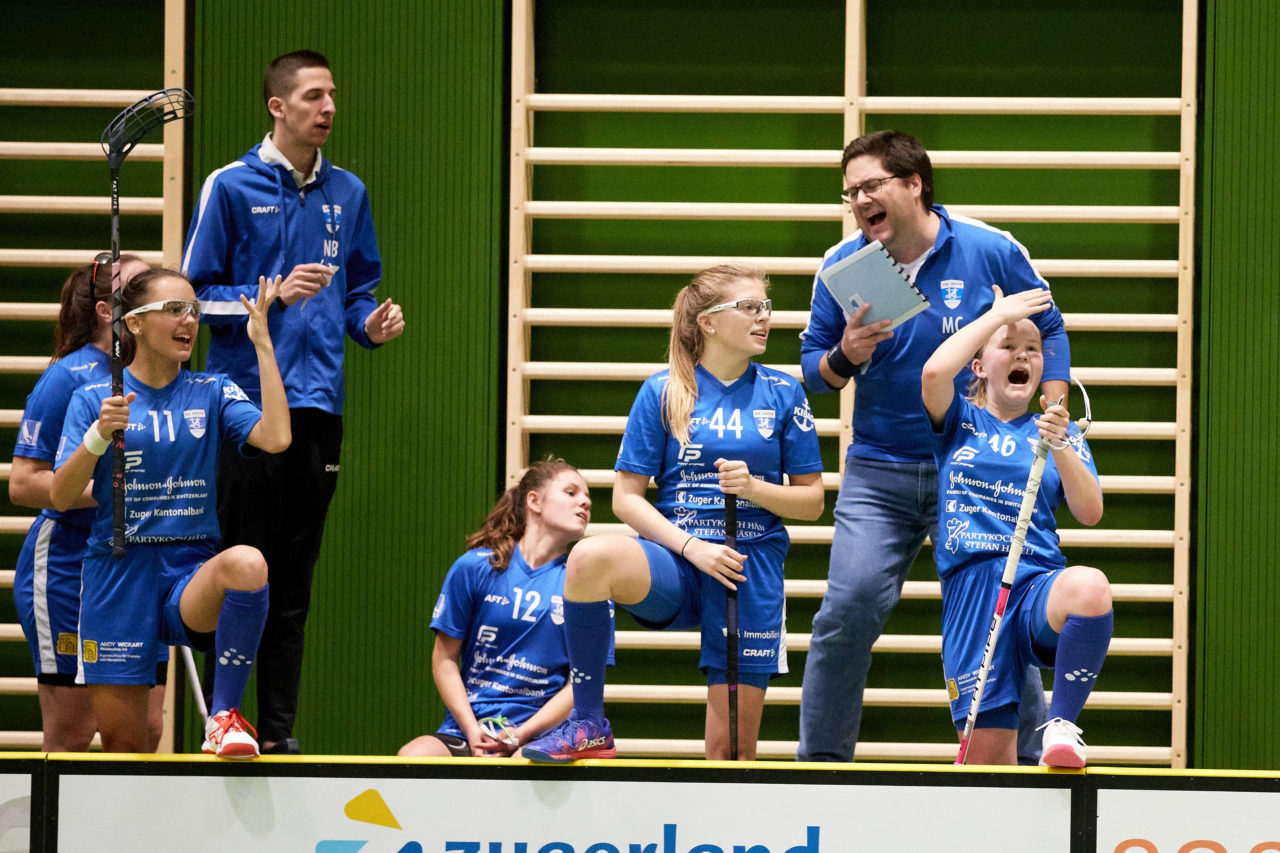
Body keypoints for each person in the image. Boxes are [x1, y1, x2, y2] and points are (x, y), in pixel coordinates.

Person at [797, 129, 1070, 763]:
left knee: (1003, 616)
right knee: (847, 612)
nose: (860, 201)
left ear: (913, 184)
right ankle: (819, 770)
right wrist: (846, 355)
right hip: (881, 468)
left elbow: (1049, 324)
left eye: (872, 186)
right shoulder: (842, 265)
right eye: (851, 192)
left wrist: (1048, 412)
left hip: (975, 465)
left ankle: (1027, 769)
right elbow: (813, 373)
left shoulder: (989, 247)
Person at [181, 49, 405, 754]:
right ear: (278, 107)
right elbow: (190, 298)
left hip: (318, 410)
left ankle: (277, 735)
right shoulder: (229, 185)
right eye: (313, 96)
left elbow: (357, 289)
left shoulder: (350, 193)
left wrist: (368, 325)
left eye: (333, 95)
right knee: (244, 565)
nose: (329, 108)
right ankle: (223, 721)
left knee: (295, 582)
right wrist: (269, 296)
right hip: (245, 407)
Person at [522, 265, 825, 763]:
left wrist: (754, 488)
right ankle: (588, 724)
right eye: (749, 307)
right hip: (677, 558)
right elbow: (626, 498)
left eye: (766, 307)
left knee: (731, 751)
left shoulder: (784, 392)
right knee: (590, 558)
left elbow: (812, 501)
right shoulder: (662, 391)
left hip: (746, 569)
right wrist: (691, 548)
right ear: (707, 322)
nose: (764, 318)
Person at [50, 269, 290, 758]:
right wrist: (98, 436)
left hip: (188, 570)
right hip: (117, 574)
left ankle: (224, 716)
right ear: (133, 324)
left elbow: (277, 437)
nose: (189, 320)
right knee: (126, 746)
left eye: (193, 311)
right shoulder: (93, 399)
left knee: (247, 563)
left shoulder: (213, 391)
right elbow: (60, 494)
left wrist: (263, 345)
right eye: (174, 309)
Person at [921, 285, 1111, 767]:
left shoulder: (1057, 431)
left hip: (1034, 585)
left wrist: (1062, 445)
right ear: (981, 366)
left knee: (1090, 587)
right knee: (990, 768)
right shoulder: (960, 420)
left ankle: (1062, 724)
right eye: (1007, 347)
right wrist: (997, 315)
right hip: (972, 593)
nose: (1022, 355)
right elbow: (935, 372)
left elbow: (1090, 511)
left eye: (1032, 350)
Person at [10, 255, 169, 752]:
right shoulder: (68, 377)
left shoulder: (162, 375)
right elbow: (24, 483)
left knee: (146, 730)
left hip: (137, 569)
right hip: (67, 566)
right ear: (108, 310)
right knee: (75, 732)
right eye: (138, 284)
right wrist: (108, 493)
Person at [398, 459, 602, 757]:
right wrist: (472, 730)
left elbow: (581, 685)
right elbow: (444, 659)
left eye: (588, 499)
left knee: (525, 766)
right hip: (468, 728)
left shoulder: (586, 586)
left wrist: (522, 734)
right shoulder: (475, 567)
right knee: (413, 757)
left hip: (542, 734)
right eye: (571, 492)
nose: (584, 501)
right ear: (534, 501)